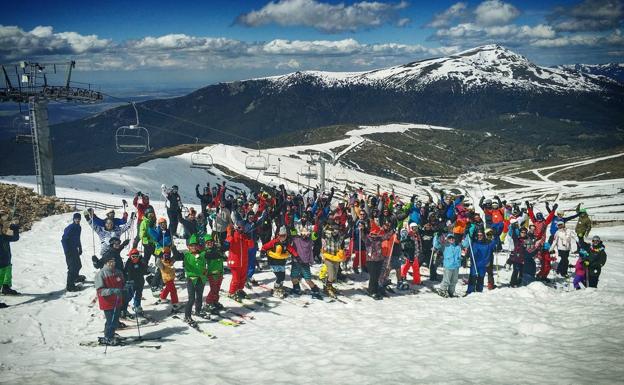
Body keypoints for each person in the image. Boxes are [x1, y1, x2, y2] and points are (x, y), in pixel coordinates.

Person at [172, 236, 208, 325]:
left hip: (201, 279)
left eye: (195, 246)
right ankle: (187, 316)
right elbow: (177, 256)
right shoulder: (186, 256)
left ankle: (198, 311)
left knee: (199, 297)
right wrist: (173, 247)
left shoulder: (202, 254)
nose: (193, 247)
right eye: (191, 246)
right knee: (191, 299)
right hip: (191, 280)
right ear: (189, 247)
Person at [94, 253, 125, 346]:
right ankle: (108, 336)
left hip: (117, 301)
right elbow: (100, 291)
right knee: (111, 320)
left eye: (113, 261)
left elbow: (122, 284)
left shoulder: (118, 272)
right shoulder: (101, 274)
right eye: (110, 262)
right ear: (106, 262)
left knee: (114, 320)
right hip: (107, 302)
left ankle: (110, 333)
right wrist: (112, 291)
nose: (112, 263)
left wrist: (127, 286)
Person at [261, 226, 297, 298]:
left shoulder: (286, 243)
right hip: (274, 262)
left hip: (281, 262)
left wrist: (296, 255)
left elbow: (291, 249)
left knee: (282, 276)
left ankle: (280, 287)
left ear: (286, 236)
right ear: (278, 235)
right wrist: (263, 251)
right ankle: (276, 289)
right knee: (279, 277)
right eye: (281, 236)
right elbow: (265, 246)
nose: (282, 237)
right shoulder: (274, 242)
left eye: (284, 236)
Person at [463, 230, 498, 294]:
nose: (479, 236)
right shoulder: (474, 243)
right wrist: (465, 258)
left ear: (483, 235)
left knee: (481, 278)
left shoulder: (487, 244)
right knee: (472, 278)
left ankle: (479, 291)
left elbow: (495, 242)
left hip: (483, 265)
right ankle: (470, 291)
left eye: (481, 235)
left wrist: (495, 235)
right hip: (474, 264)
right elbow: (469, 251)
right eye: (478, 235)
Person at [61, 213, 84, 292]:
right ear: (73, 219)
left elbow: (78, 239)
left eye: (79, 218)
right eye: (76, 218)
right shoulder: (70, 228)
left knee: (78, 265)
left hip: (74, 249)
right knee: (72, 268)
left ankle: (76, 277)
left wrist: (80, 248)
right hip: (69, 250)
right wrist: (67, 251)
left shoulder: (79, 227)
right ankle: (70, 286)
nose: (77, 220)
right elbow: (64, 239)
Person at [203, 234, 226, 314]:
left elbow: (223, 253)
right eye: (207, 243)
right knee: (213, 289)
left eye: (211, 242)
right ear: (205, 244)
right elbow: (211, 256)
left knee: (217, 289)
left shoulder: (216, 249)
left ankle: (215, 301)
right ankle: (208, 303)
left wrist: (220, 250)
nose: (210, 244)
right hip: (212, 274)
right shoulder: (206, 252)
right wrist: (218, 253)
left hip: (220, 272)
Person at [0, 212, 20, 296]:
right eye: (3, 218)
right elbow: (14, 237)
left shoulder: (2, 230)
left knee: (7, 269)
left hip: (5, 257)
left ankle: (6, 287)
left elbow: (12, 236)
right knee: (2, 272)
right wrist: (14, 228)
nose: (5, 220)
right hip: (1, 259)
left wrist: (13, 227)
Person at [124, 248, 147, 315]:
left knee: (138, 294)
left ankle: (137, 306)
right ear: (130, 256)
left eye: (136, 256)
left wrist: (144, 263)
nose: (135, 258)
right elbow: (125, 272)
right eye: (133, 256)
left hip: (140, 282)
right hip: (131, 283)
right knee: (129, 296)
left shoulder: (141, 262)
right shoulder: (129, 263)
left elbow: (144, 270)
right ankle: (123, 308)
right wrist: (128, 280)